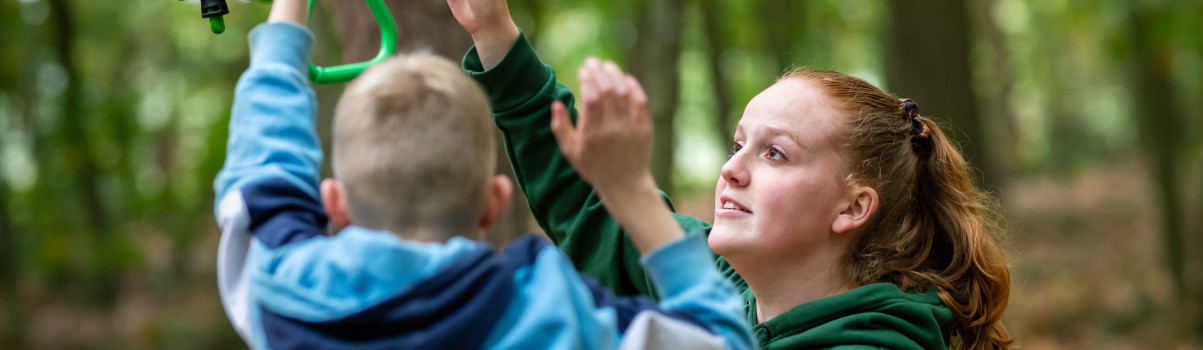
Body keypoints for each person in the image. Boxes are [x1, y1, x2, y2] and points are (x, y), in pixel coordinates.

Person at [448, 0, 1014, 348]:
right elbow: (594, 210)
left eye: (775, 154)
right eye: (739, 143)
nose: (731, 170)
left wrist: (636, 196)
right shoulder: (719, 284)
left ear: (852, 207)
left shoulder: (876, 346)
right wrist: (494, 32)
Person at [210, 1, 757, 349]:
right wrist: (632, 192)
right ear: (495, 201)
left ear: (335, 202)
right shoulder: (546, 312)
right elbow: (718, 340)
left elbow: (263, 169)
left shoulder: (278, 292)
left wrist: (286, 16)